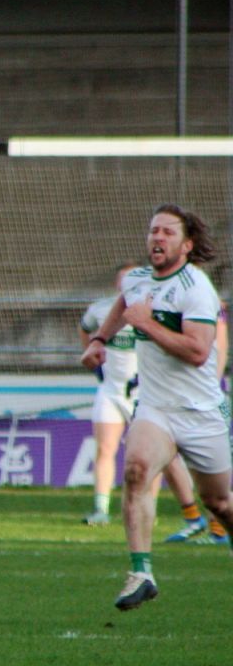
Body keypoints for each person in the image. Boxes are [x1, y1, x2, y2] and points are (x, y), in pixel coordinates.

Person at [80, 204, 233, 611]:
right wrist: (100, 341)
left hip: (200, 412)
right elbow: (122, 305)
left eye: (167, 232)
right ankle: (141, 572)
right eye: (153, 231)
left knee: (219, 502)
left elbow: (199, 352)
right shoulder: (137, 279)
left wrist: (146, 323)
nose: (157, 238)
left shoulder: (196, 287)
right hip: (156, 407)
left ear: (186, 244)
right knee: (135, 471)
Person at [79, 263, 206, 531]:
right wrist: (94, 353)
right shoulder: (102, 309)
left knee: (157, 457)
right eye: (123, 280)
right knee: (105, 448)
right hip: (111, 390)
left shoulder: (154, 309)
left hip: (144, 392)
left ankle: (178, 512)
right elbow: (85, 328)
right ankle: (101, 509)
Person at [165, 302, 230, 544]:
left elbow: (220, 347)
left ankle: (218, 529)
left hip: (208, 398)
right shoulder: (169, 300)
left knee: (214, 465)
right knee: (164, 456)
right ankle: (194, 519)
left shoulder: (205, 299)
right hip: (177, 397)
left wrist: (210, 387)